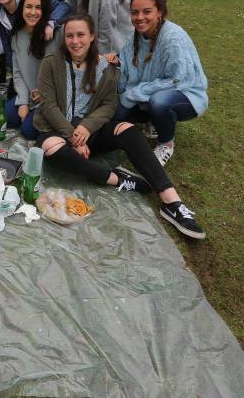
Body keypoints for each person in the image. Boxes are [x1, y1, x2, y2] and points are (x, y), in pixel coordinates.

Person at [34, 13, 205, 239]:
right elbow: (48, 105)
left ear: (92, 36)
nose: (75, 41)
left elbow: (108, 105)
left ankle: (171, 202)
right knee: (50, 148)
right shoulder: (51, 63)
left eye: (81, 35)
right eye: (70, 36)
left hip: (91, 131)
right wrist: (72, 136)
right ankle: (118, 179)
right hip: (57, 130)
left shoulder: (106, 67)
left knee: (128, 129)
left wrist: (85, 129)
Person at [111, 0, 208, 168]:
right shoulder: (136, 36)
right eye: (134, 12)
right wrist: (115, 64)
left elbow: (179, 79)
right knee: (118, 116)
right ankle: (152, 119)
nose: (139, 17)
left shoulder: (173, 37)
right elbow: (126, 67)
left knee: (160, 102)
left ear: (160, 12)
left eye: (147, 12)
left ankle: (166, 144)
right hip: (147, 91)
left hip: (186, 94)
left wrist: (134, 93)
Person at [7, 0, 61, 140]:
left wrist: (46, 93)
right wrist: (23, 102)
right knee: (8, 118)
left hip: (52, 96)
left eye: (38, 8)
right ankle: (30, 110)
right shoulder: (16, 36)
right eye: (28, 7)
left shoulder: (55, 34)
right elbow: (18, 73)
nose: (32, 12)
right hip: (30, 95)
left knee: (28, 131)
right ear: (21, 8)